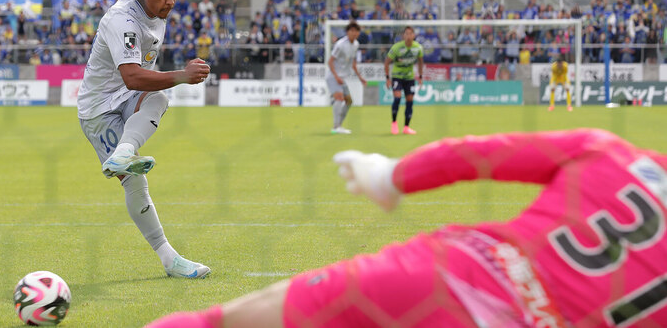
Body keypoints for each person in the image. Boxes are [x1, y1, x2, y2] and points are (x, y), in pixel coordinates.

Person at [146, 128, 667, 328]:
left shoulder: (614, 153)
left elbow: (475, 156)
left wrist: (389, 175)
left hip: (443, 276)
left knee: (222, 323)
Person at [77, 0, 211, 279]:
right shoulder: (123, 20)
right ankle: (170, 259)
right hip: (100, 110)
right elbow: (133, 78)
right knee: (135, 185)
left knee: (159, 98)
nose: (169, 1)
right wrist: (182, 75)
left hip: (129, 98)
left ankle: (123, 152)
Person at [325, 21, 367, 135]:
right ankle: (336, 126)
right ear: (347, 32)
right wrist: (336, 76)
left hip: (342, 78)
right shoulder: (340, 44)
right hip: (333, 77)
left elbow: (353, 64)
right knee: (339, 98)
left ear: (358, 33)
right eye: (351, 31)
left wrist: (360, 78)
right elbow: (330, 62)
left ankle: (339, 125)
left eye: (356, 31)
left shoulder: (356, 44)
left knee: (349, 101)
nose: (353, 33)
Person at [384, 26, 424, 135]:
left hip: (410, 77)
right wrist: (387, 78)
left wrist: (420, 76)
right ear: (403, 36)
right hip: (397, 76)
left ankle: (406, 127)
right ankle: (394, 123)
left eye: (411, 34)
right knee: (397, 98)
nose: (408, 36)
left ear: (414, 35)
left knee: (409, 101)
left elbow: (420, 62)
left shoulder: (418, 48)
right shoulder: (397, 48)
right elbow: (387, 62)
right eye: (406, 34)